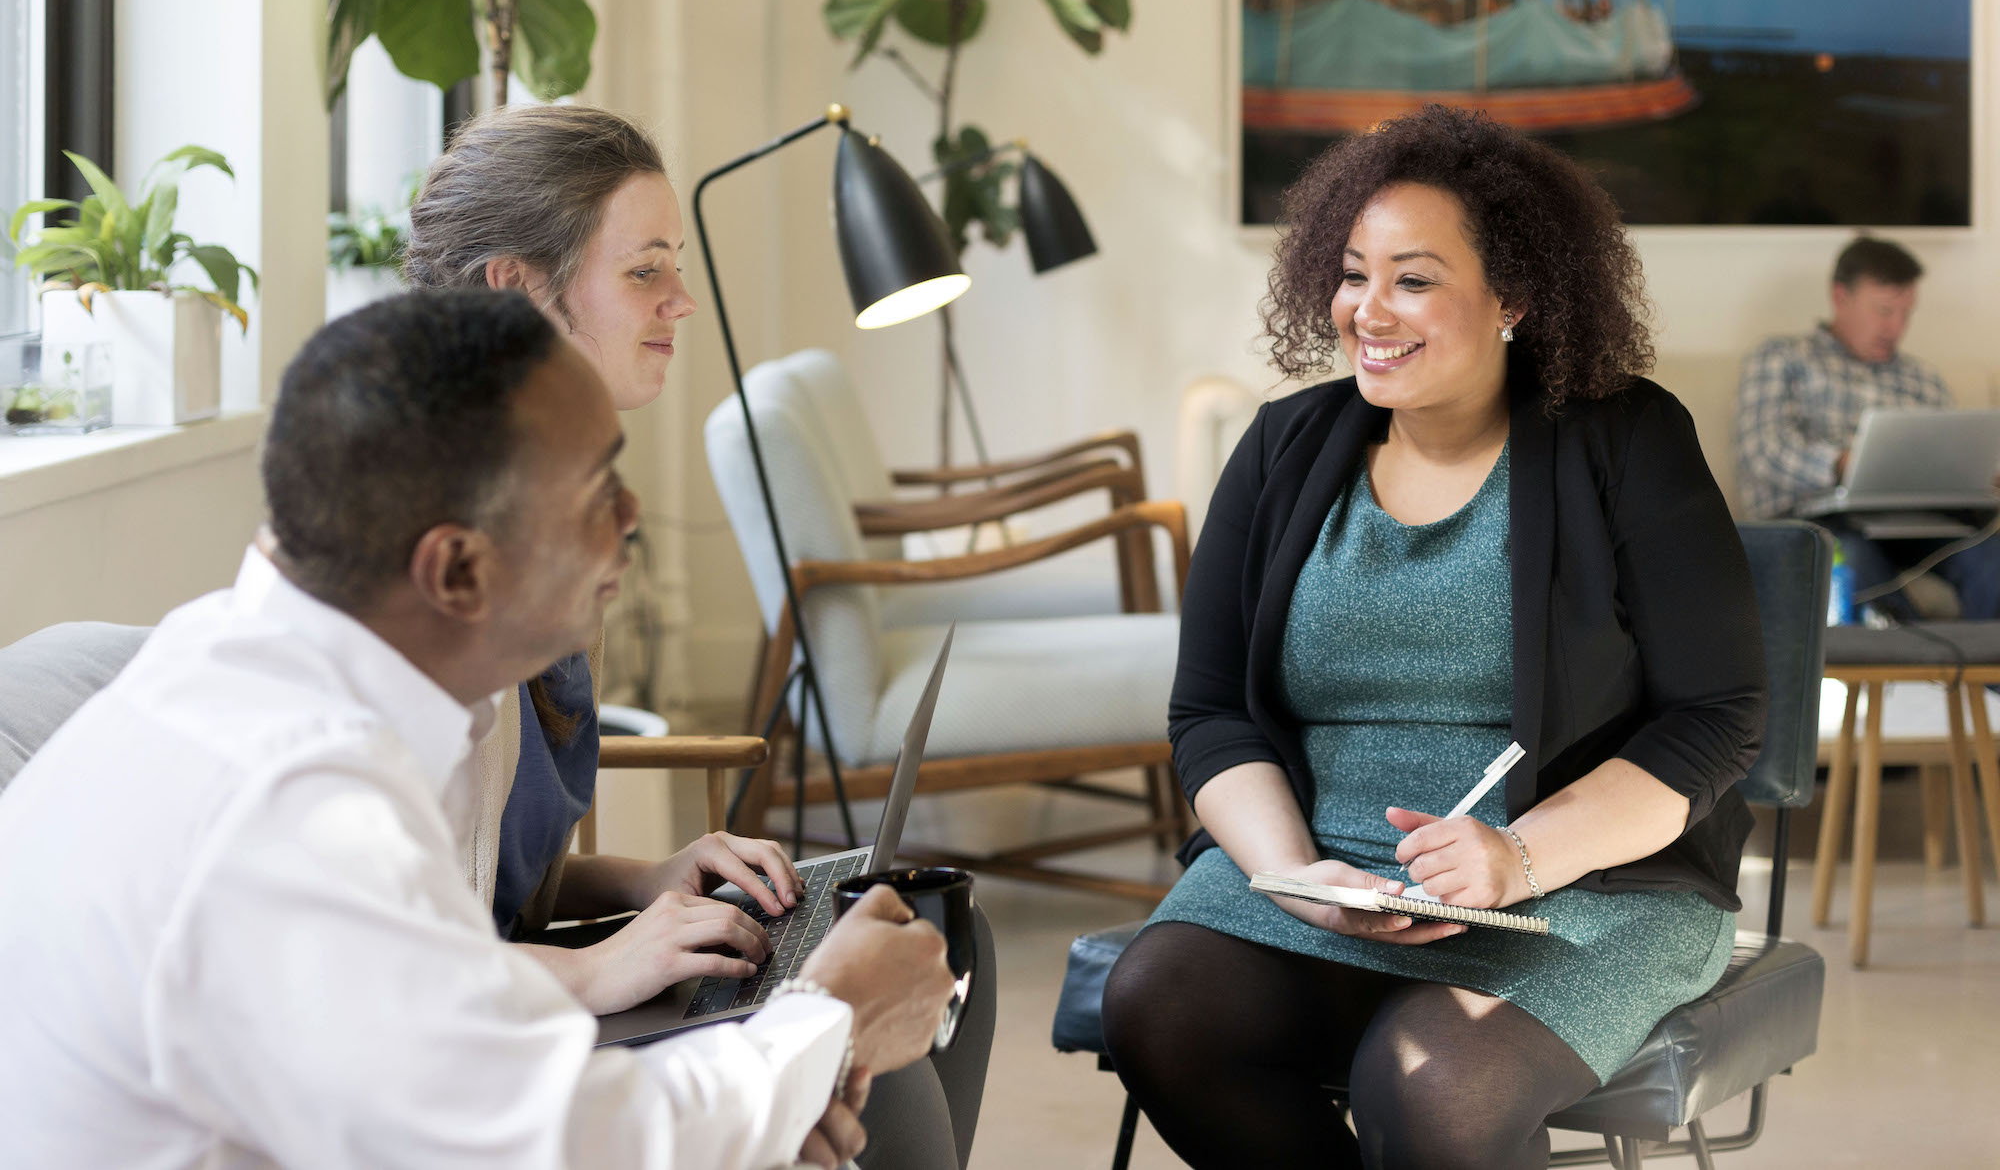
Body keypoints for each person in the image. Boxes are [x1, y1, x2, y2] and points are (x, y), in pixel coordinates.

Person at [0, 290, 957, 1168]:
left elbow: (453, 1056)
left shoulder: (260, 673)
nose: (633, 521)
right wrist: (826, 1016)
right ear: (457, 571)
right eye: (597, 495)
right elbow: (550, 1145)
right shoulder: (291, 806)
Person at [1100, 106, 1766, 1170]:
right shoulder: (1280, 448)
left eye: (1412, 278)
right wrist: (1290, 872)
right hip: (1320, 873)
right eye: (1352, 272)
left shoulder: (1625, 439)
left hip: (1578, 886)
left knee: (1430, 1085)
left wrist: (1516, 854)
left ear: (1513, 297)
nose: (1368, 309)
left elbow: (1716, 716)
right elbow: (1210, 712)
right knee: (1159, 1005)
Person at [402, 104, 992, 1167]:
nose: (679, 300)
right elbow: (392, 960)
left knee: (939, 934)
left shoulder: (541, 496)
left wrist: (643, 878)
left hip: (518, 973)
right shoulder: (439, 559)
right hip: (472, 1038)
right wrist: (601, 968)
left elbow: (476, 869)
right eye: (642, 273)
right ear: (515, 291)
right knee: (857, 1046)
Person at [1735, 235, 2000, 619]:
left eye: (1905, 314)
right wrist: (1843, 464)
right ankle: (1915, 667)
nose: (1895, 327)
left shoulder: (1922, 378)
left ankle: (1989, 678)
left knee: (1990, 557)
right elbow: (1763, 452)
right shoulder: (1782, 358)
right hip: (1820, 520)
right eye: (1883, 310)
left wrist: (1980, 478)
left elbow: (1950, 454)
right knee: (1852, 560)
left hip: (1917, 523)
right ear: (1840, 296)